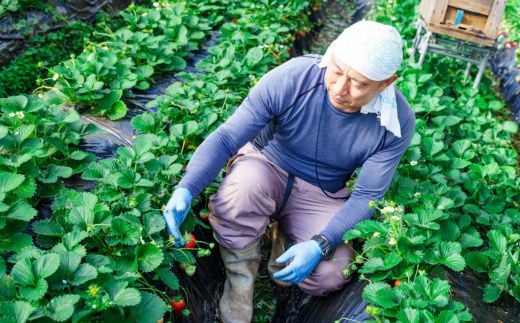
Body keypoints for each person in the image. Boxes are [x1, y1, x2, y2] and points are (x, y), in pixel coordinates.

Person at [162, 20, 415, 323]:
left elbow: (366, 196)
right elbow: (229, 137)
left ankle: (285, 237)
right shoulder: (295, 77)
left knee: (330, 272)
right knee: (239, 193)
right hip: (265, 165)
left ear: (386, 82)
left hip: (322, 192)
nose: (340, 88)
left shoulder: (394, 121)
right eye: (336, 71)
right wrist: (187, 187)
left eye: (359, 84)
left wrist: (321, 243)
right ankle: (239, 281)